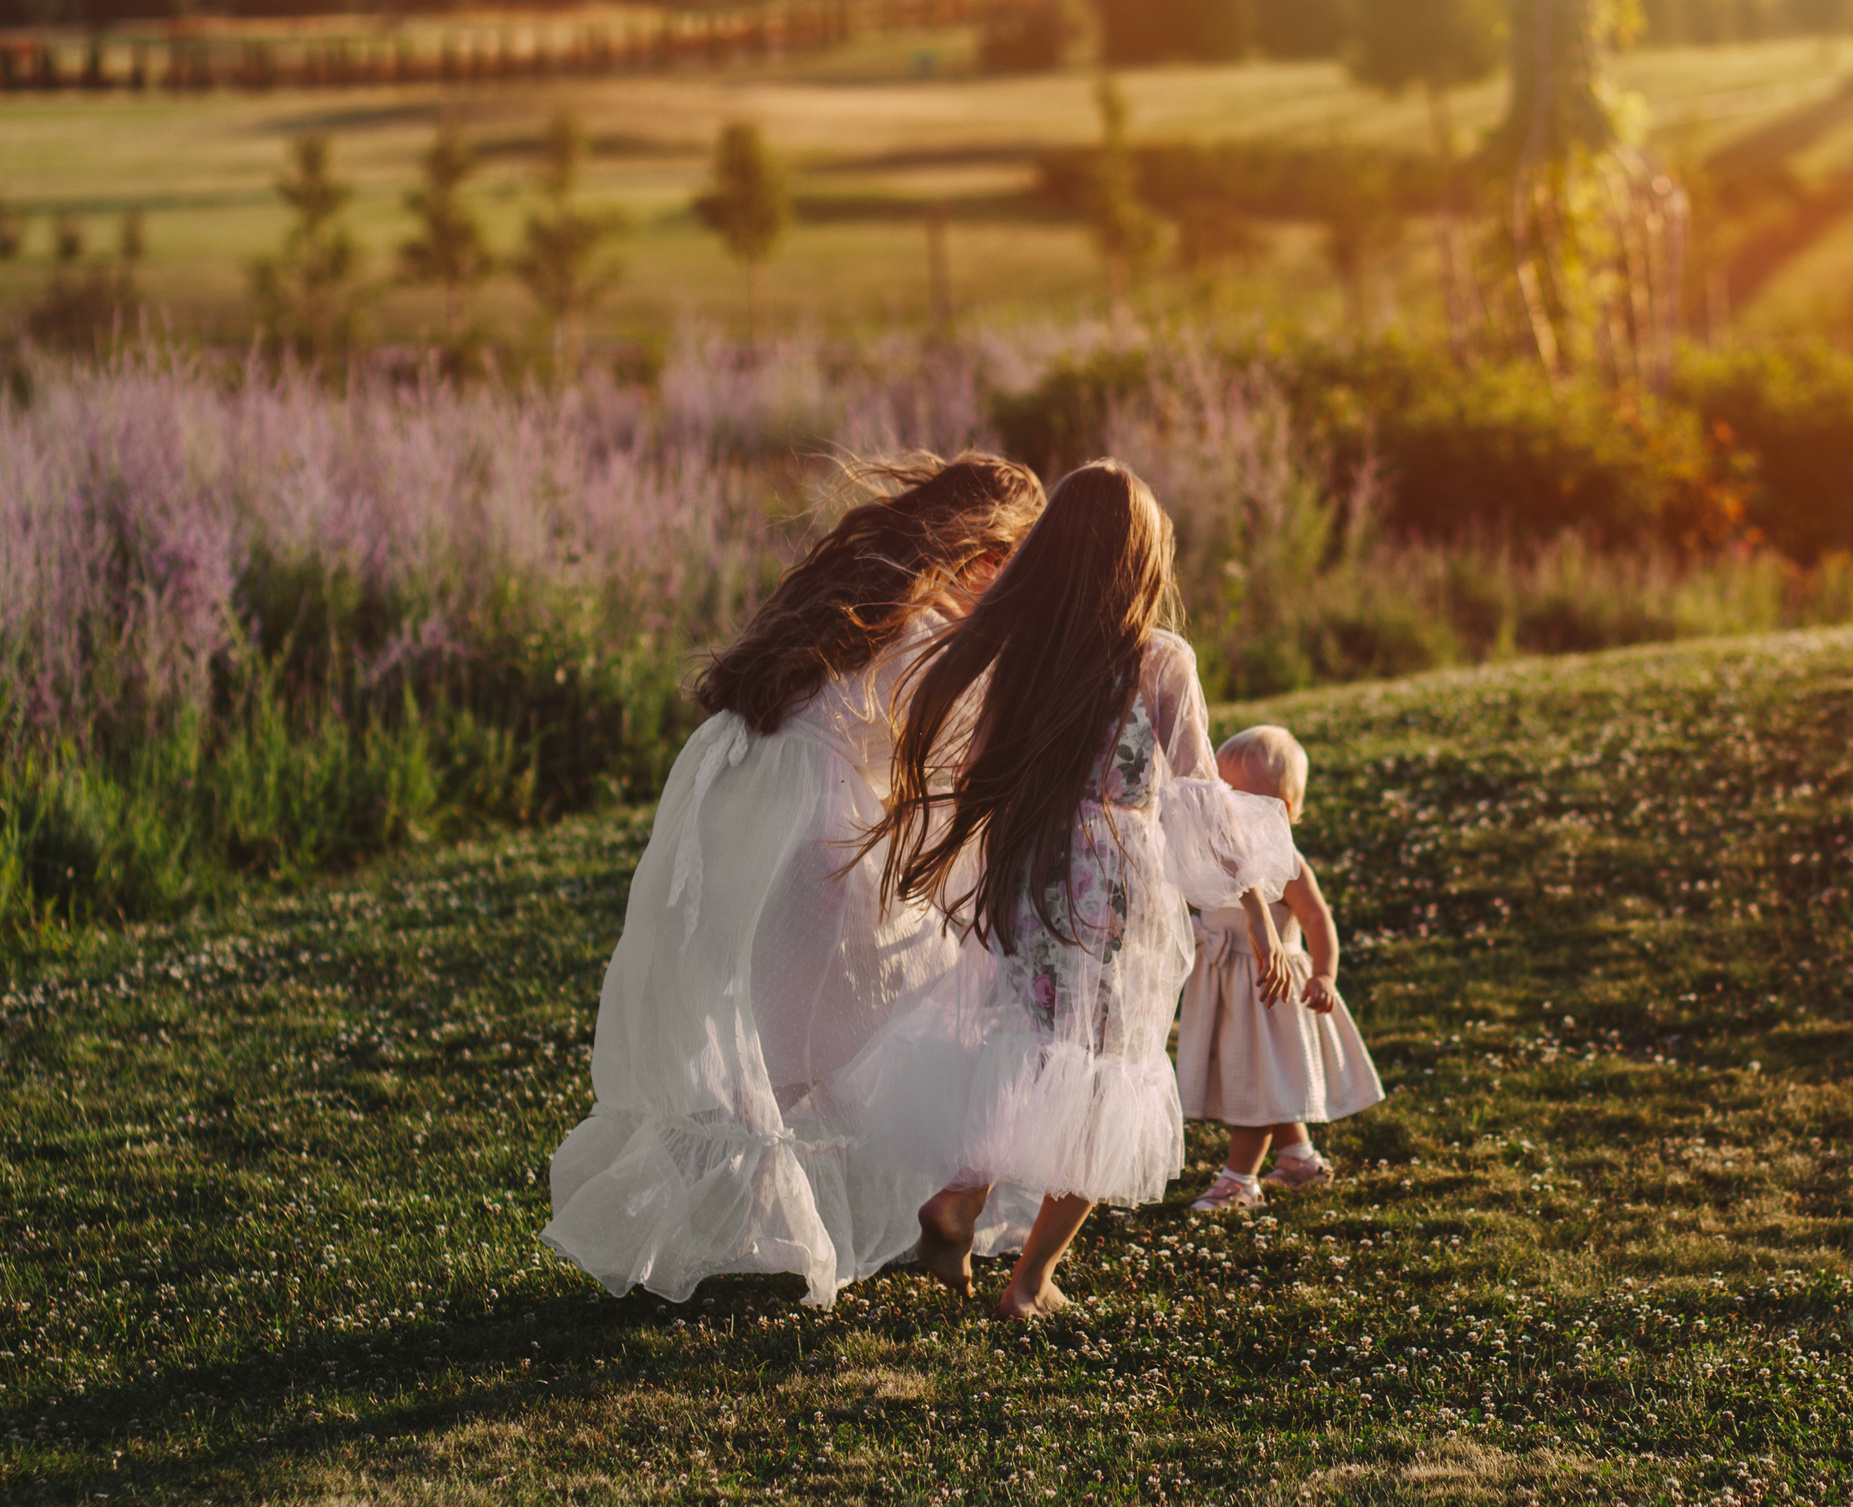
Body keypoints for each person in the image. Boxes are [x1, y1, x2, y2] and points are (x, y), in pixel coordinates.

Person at [543, 454, 1047, 1307]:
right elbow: (954, 778)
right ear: (987, 560)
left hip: (731, 801)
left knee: (764, 1028)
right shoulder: (928, 633)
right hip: (812, 823)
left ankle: (729, 1216)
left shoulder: (850, 594)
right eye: (1018, 571)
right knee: (901, 990)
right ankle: (927, 1193)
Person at [829, 460, 1298, 1318]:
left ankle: (960, 1199)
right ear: (1140, 562)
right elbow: (1202, 801)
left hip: (1030, 869)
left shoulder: (1026, 653)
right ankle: (1031, 1280)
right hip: (1115, 892)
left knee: (1027, 1046)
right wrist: (1262, 916)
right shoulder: (1160, 660)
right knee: (1106, 1072)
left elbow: (976, 763)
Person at [1177, 724, 1385, 1214]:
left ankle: (1240, 1180)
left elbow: (1317, 917)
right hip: (1226, 986)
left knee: (1257, 1083)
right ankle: (1299, 1158)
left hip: (1267, 991)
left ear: (1284, 812)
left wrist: (1326, 974)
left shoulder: (1285, 862)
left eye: (1244, 800)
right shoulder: (1216, 854)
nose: (1227, 809)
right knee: (1254, 1075)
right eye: (1222, 795)